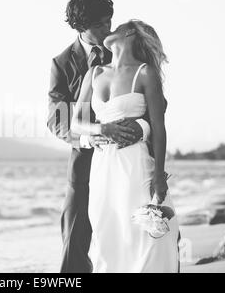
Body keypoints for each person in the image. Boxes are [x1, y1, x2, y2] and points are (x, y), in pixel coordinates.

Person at [46, 0, 151, 273]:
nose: (108, 28)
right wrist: (95, 133)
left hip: (131, 161)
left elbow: (156, 105)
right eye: (100, 24)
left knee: (150, 229)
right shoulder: (62, 64)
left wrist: (140, 129)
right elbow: (57, 121)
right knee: (75, 240)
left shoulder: (125, 50)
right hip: (84, 164)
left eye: (109, 20)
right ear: (81, 26)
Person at [70, 19, 180, 272]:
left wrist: (159, 176)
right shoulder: (94, 73)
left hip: (135, 164)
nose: (109, 29)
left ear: (129, 32)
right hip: (102, 166)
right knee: (107, 231)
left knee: (145, 231)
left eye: (116, 27)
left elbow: (159, 127)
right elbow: (77, 122)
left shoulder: (145, 73)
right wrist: (101, 128)